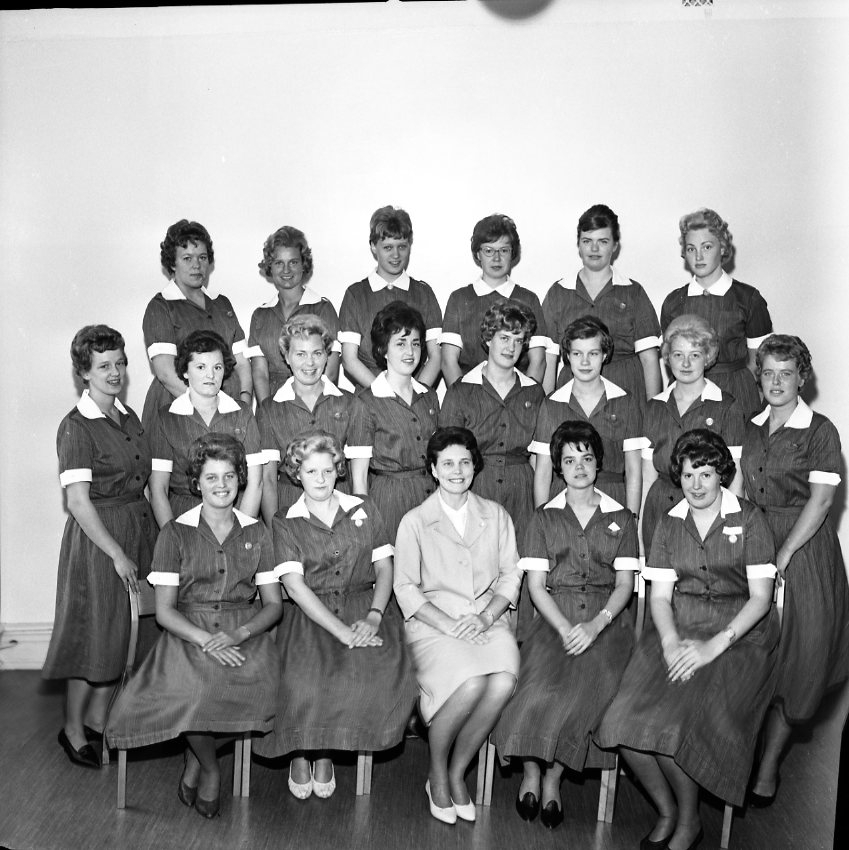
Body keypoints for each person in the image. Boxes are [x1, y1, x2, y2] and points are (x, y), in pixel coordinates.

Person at [597, 429, 778, 850]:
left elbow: (761, 599)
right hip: (677, 628)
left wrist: (712, 647)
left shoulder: (750, 519)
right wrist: (670, 644)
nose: (696, 485)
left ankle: (690, 820)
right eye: (688, 474)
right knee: (620, 724)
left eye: (706, 474)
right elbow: (660, 598)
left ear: (722, 475)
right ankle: (668, 811)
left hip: (738, 636)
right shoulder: (668, 522)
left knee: (672, 726)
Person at [106, 434, 283, 819]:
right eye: (211, 477)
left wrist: (237, 635)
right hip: (187, 630)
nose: (222, 485)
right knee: (197, 690)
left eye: (229, 476)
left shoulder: (257, 532)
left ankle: (195, 757)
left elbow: (273, 605)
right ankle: (210, 767)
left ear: (240, 480)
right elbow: (166, 612)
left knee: (263, 690)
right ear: (196, 483)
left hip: (243, 630)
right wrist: (206, 640)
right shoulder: (175, 532)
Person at [254, 432, 416, 800]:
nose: (321, 479)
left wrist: (374, 615)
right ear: (296, 473)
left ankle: (326, 750)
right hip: (309, 613)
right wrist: (341, 632)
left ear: (338, 470)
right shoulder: (285, 520)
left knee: (369, 673)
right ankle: (300, 750)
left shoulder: (363, 508)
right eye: (311, 471)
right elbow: (294, 586)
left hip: (364, 606)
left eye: (328, 470)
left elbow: (385, 568)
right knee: (303, 679)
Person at [493, 421, 638, 829]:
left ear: (599, 463)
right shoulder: (543, 517)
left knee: (590, 684)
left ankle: (554, 777)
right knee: (534, 686)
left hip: (607, 622)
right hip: (552, 618)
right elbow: (536, 587)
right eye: (570, 460)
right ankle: (531, 771)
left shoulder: (621, 517)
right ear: (558, 466)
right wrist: (562, 628)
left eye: (587, 458)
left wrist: (596, 625)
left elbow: (625, 585)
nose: (579, 467)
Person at [394, 427, 522, 824]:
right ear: (433, 469)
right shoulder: (415, 521)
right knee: (470, 684)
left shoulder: (496, 515)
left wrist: (486, 617)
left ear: (475, 466)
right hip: (434, 625)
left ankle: (456, 771)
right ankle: (436, 772)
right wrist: (449, 625)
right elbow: (405, 587)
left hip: (487, 619)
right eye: (447, 463)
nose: (457, 471)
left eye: (464, 462)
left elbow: (510, 575)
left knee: (502, 681)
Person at [43, 325, 157, 769]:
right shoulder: (76, 427)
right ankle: (72, 729)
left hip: (137, 528)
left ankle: (96, 717)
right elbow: (77, 501)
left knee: (124, 634)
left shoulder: (129, 418)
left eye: (120, 363)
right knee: (93, 636)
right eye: (104, 365)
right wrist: (116, 553)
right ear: (84, 373)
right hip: (99, 541)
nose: (115, 373)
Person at [742, 335, 849, 804]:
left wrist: (783, 554)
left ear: (802, 378)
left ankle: (768, 766)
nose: (776, 381)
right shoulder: (751, 426)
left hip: (803, 550)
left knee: (798, 658)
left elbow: (821, 502)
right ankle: (741, 753)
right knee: (754, 654)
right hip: (755, 542)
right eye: (768, 372)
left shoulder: (820, 430)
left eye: (786, 373)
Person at [439, 299, 545, 639]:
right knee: (474, 565)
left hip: (519, 487)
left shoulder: (533, 392)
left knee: (518, 565)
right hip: (475, 488)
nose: (510, 347)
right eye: (504, 338)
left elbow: (538, 455)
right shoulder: (461, 390)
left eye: (518, 340)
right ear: (488, 339)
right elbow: (447, 455)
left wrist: (538, 506)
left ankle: (519, 644)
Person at [642, 314, 745, 558]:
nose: (686, 363)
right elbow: (647, 477)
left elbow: (736, 476)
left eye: (695, 355)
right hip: (659, 510)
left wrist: (733, 523)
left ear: (707, 357)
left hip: (707, 510)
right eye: (678, 355)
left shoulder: (726, 406)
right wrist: (639, 533)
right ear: (668, 358)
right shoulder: (655, 407)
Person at [661, 208, 772, 417]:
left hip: (737, 395)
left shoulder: (748, 299)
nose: (698, 256)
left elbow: (760, 362)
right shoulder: (674, 302)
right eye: (691, 249)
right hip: (686, 396)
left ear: (722, 247)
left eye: (707, 247)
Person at [541, 204, 661, 398]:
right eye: (587, 241)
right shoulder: (559, 292)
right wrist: (547, 407)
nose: (594, 248)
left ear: (615, 246)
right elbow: (549, 358)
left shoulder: (633, 292)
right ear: (579, 245)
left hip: (626, 394)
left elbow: (649, 360)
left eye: (603, 241)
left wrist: (653, 410)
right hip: (574, 395)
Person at [142, 219, 252, 428]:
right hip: (180, 414)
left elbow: (242, 362)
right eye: (187, 258)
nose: (196, 265)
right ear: (172, 263)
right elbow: (165, 372)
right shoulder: (161, 307)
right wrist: (207, 409)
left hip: (228, 413)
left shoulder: (222, 304)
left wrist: (244, 403)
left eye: (202, 257)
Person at [531, 316, 646, 515]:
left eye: (593, 353)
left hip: (612, 500)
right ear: (568, 356)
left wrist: (632, 519)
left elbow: (634, 470)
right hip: (563, 503)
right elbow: (543, 472)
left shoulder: (625, 402)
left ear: (604, 355)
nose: (585, 362)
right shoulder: (551, 404)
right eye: (577, 353)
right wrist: (541, 519)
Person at [149, 330, 264, 527]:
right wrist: (173, 536)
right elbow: (158, 489)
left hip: (236, 512)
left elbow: (256, 482)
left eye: (217, 367)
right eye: (201, 367)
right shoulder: (166, 417)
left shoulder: (242, 412)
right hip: (185, 517)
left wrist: (241, 530)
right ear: (185, 371)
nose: (211, 375)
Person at [347, 302, 440, 537]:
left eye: (415, 343)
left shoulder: (429, 397)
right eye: (401, 343)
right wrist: (365, 527)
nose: (410, 352)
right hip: (388, 503)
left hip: (430, 500)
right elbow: (359, 478)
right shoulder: (365, 402)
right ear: (383, 350)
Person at [256, 315, 352, 523]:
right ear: (286, 357)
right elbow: (268, 479)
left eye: (317, 353)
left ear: (327, 355)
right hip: (290, 507)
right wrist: (275, 530)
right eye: (300, 354)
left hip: (340, 507)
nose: (310, 363)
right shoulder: (269, 409)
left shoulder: (350, 403)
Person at [441, 213, 553, 386]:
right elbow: (448, 362)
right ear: (478, 254)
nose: (496, 258)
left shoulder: (528, 299)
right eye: (488, 251)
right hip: (469, 396)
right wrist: (464, 398)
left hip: (518, 395)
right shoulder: (459, 299)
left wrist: (523, 397)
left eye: (504, 250)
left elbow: (538, 362)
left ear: (512, 253)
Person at [338, 205, 442, 389]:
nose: (396, 255)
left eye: (402, 246)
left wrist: (416, 393)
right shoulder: (356, 294)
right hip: (370, 394)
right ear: (373, 246)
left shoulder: (423, 293)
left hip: (415, 393)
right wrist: (383, 394)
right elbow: (349, 359)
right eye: (388, 247)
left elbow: (436, 356)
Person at [246, 225, 341, 402]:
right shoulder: (260, 315)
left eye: (293, 262)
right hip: (273, 403)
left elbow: (331, 371)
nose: (286, 270)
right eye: (279, 263)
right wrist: (269, 411)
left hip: (315, 402)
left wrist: (311, 407)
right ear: (270, 267)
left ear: (303, 264)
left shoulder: (323, 308)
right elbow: (260, 374)